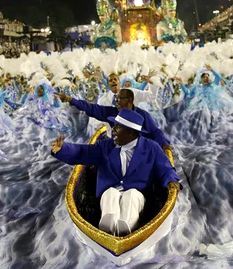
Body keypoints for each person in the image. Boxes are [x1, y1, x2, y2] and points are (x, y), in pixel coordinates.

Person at [50, 109, 179, 236]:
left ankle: (126, 229)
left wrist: (172, 181)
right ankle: (107, 228)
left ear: (130, 132)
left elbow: (166, 168)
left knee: (132, 195)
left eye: (118, 127)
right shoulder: (105, 146)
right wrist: (62, 149)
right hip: (109, 190)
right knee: (110, 194)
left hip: (138, 193)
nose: (113, 130)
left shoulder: (151, 148)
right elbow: (83, 152)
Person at [56, 88, 172, 152]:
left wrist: (164, 144)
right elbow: (92, 108)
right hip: (117, 150)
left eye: (119, 99)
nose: (116, 102)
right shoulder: (112, 112)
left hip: (139, 153)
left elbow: (155, 132)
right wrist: (71, 100)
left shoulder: (143, 115)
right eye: (115, 99)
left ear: (129, 100)